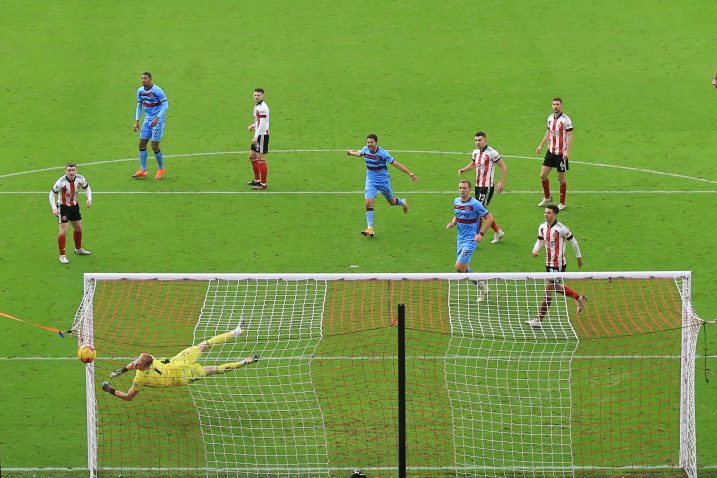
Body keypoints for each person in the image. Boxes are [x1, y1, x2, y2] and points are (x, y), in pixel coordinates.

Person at [101, 321, 259, 401]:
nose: (135, 364)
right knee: (210, 362)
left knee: (210, 362)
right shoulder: (150, 358)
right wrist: (122, 371)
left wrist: (111, 390)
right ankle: (245, 361)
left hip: (181, 374)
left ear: (144, 366)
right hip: (179, 365)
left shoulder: (140, 378)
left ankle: (237, 332)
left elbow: (129, 397)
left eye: (137, 363)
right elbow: (138, 360)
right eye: (136, 363)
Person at [526, 205, 587, 328]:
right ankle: (580, 298)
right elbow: (539, 240)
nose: (546, 215)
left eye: (548, 213)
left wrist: (579, 258)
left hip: (558, 264)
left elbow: (574, 242)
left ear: (554, 214)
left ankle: (538, 319)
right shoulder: (542, 227)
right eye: (545, 212)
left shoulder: (562, 229)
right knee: (556, 287)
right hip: (548, 263)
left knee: (549, 288)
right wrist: (535, 250)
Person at [347, 134, 418, 237]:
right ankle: (370, 228)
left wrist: (410, 173)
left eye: (371, 142)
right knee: (368, 202)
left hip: (383, 182)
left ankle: (403, 203)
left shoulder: (383, 153)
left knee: (392, 202)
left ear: (376, 142)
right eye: (368, 142)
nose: (369, 144)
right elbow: (359, 153)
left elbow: (396, 164)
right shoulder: (365, 150)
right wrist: (351, 152)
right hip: (371, 181)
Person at [458, 131, 507, 244]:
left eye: (480, 140)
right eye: (476, 140)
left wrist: (501, 182)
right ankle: (498, 231)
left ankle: (474, 237)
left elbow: (503, 166)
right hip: (477, 185)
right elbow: (473, 164)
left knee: (478, 212)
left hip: (487, 187)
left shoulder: (492, 153)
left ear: (485, 140)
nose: (477, 142)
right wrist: (464, 169)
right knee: (482, 211)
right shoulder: (475, 152)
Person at [49, 163, 92, 264]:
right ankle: (62, 256)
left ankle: (78, 249)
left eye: (73, 170)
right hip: (63, 207)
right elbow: (51, 194)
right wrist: (54, 208)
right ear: (66, 171)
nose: (71, 172)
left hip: (74, 206)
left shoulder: (80, 178)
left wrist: (89, 198)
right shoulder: (61, 182)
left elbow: (87, 188)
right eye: (69, 170)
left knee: (79, 228)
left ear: (76, 170)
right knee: (64, 230)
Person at [535, 97, 573, 210]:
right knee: (543, 175)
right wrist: (541, 145)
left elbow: (570, 137)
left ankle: (562, 203)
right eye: (554, 104)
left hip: (561, 154)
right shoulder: (550, 118)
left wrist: (567, 151)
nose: (555, 106)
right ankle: (547, 197)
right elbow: (548, 132)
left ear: (561, 106)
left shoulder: (566, 120)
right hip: (550, 152)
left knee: (561, 179)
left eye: (557, 104)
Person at [132, 72, 169, 179]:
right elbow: (139, 106)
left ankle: (161, 169)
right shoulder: (140, 91)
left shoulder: (157, 90)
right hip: (147, 120)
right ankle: (143, 170)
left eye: (145, 78)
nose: (143, 80)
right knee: (142, 144)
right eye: (142, 78)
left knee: (154, 146)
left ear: (150, 79)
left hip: (158, 120)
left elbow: (166, 105)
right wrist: (137, 121)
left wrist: (157, 118)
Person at [247, 88, 270, 190]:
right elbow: (259, 121)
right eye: (255, 95)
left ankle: (263, 183)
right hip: (258, 133)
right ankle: (257, 180)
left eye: (258, 95)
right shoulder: (258, 106)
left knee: (260, 159)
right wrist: (253, 125)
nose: (256, 97)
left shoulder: (263, 108)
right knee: (252, 156)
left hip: (261, 135)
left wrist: (256, 136)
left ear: (263, 96)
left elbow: (263, 124)